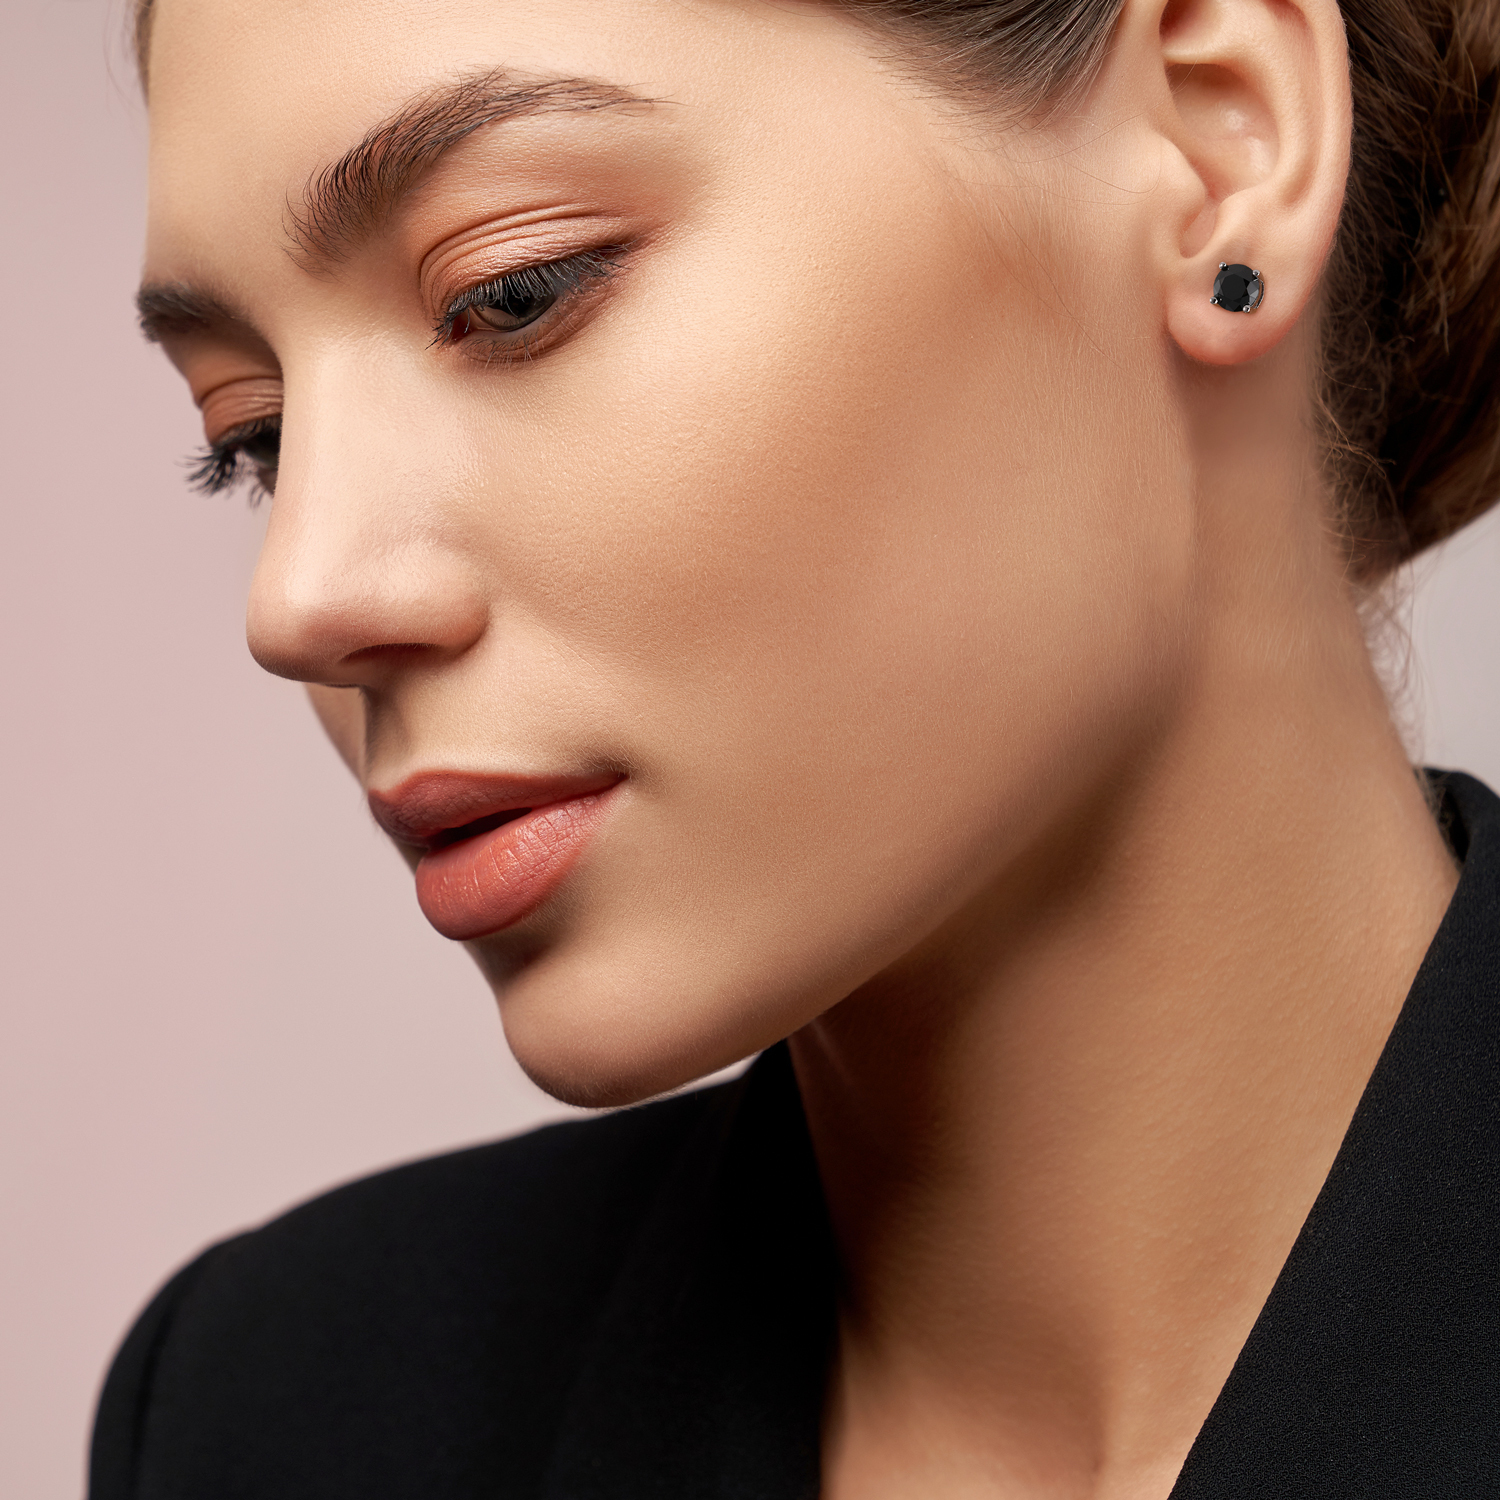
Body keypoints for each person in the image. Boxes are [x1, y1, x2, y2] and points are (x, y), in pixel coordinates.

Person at [92, 0, 1500, 1495]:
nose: (300, 600)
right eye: (253, 434)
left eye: (514, 290)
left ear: (1221, 145)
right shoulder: (272, 1417)